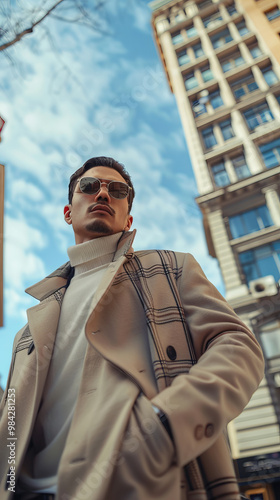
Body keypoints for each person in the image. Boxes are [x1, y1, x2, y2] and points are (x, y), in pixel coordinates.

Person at [0, 156, 264, 500]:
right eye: (90, 186)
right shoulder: (29, 330)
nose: (103, 194)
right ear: (68, 212)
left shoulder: (171, 269)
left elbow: (238, 347)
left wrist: (166, 425)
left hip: (140, 484)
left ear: (128, 218)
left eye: (118, 190)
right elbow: (14, 417)